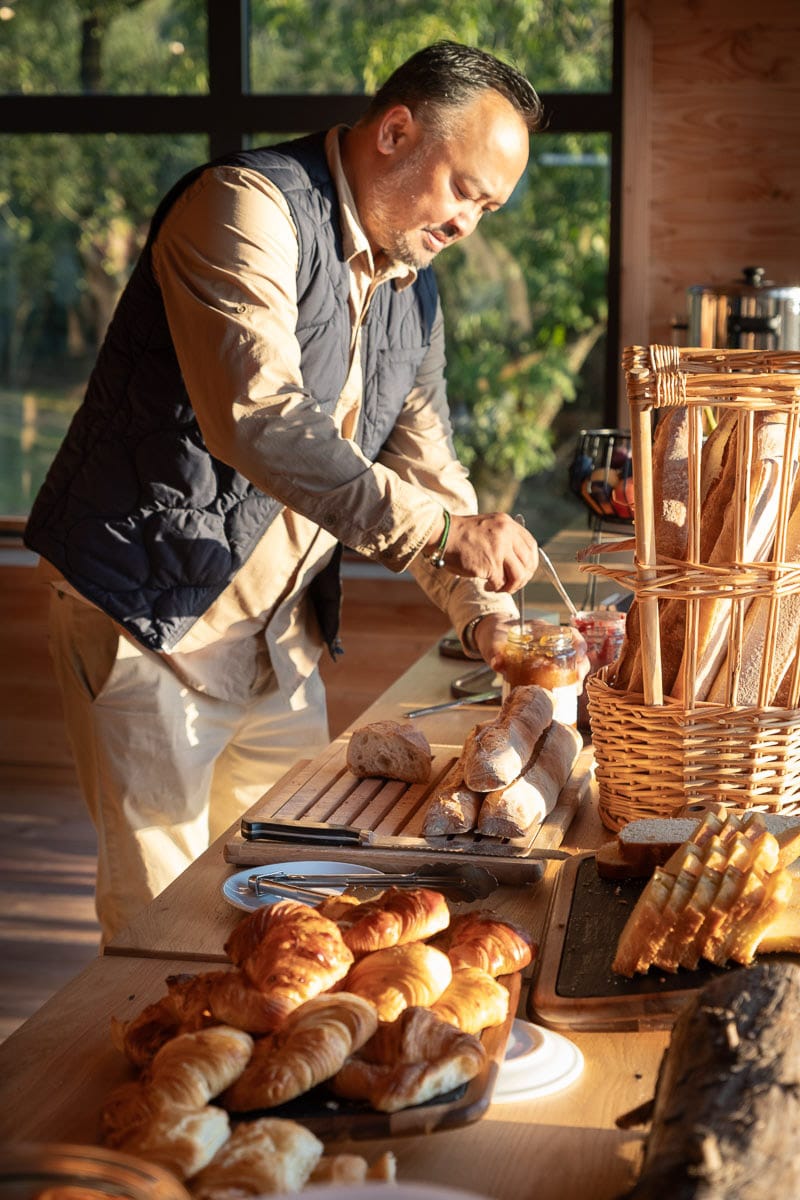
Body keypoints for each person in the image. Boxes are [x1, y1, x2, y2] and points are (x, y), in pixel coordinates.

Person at [25, 41, 548, 943]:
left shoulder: (412, 298)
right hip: (152, 622)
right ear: (395, 132)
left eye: (489, 209)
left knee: (297, 903)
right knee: (163, 925)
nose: (471, 225)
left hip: (280, 642)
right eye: (465, 190)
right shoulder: (242, 207)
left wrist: (488, 619)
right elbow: (260, 419)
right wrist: (446, 532)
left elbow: (434, 478)